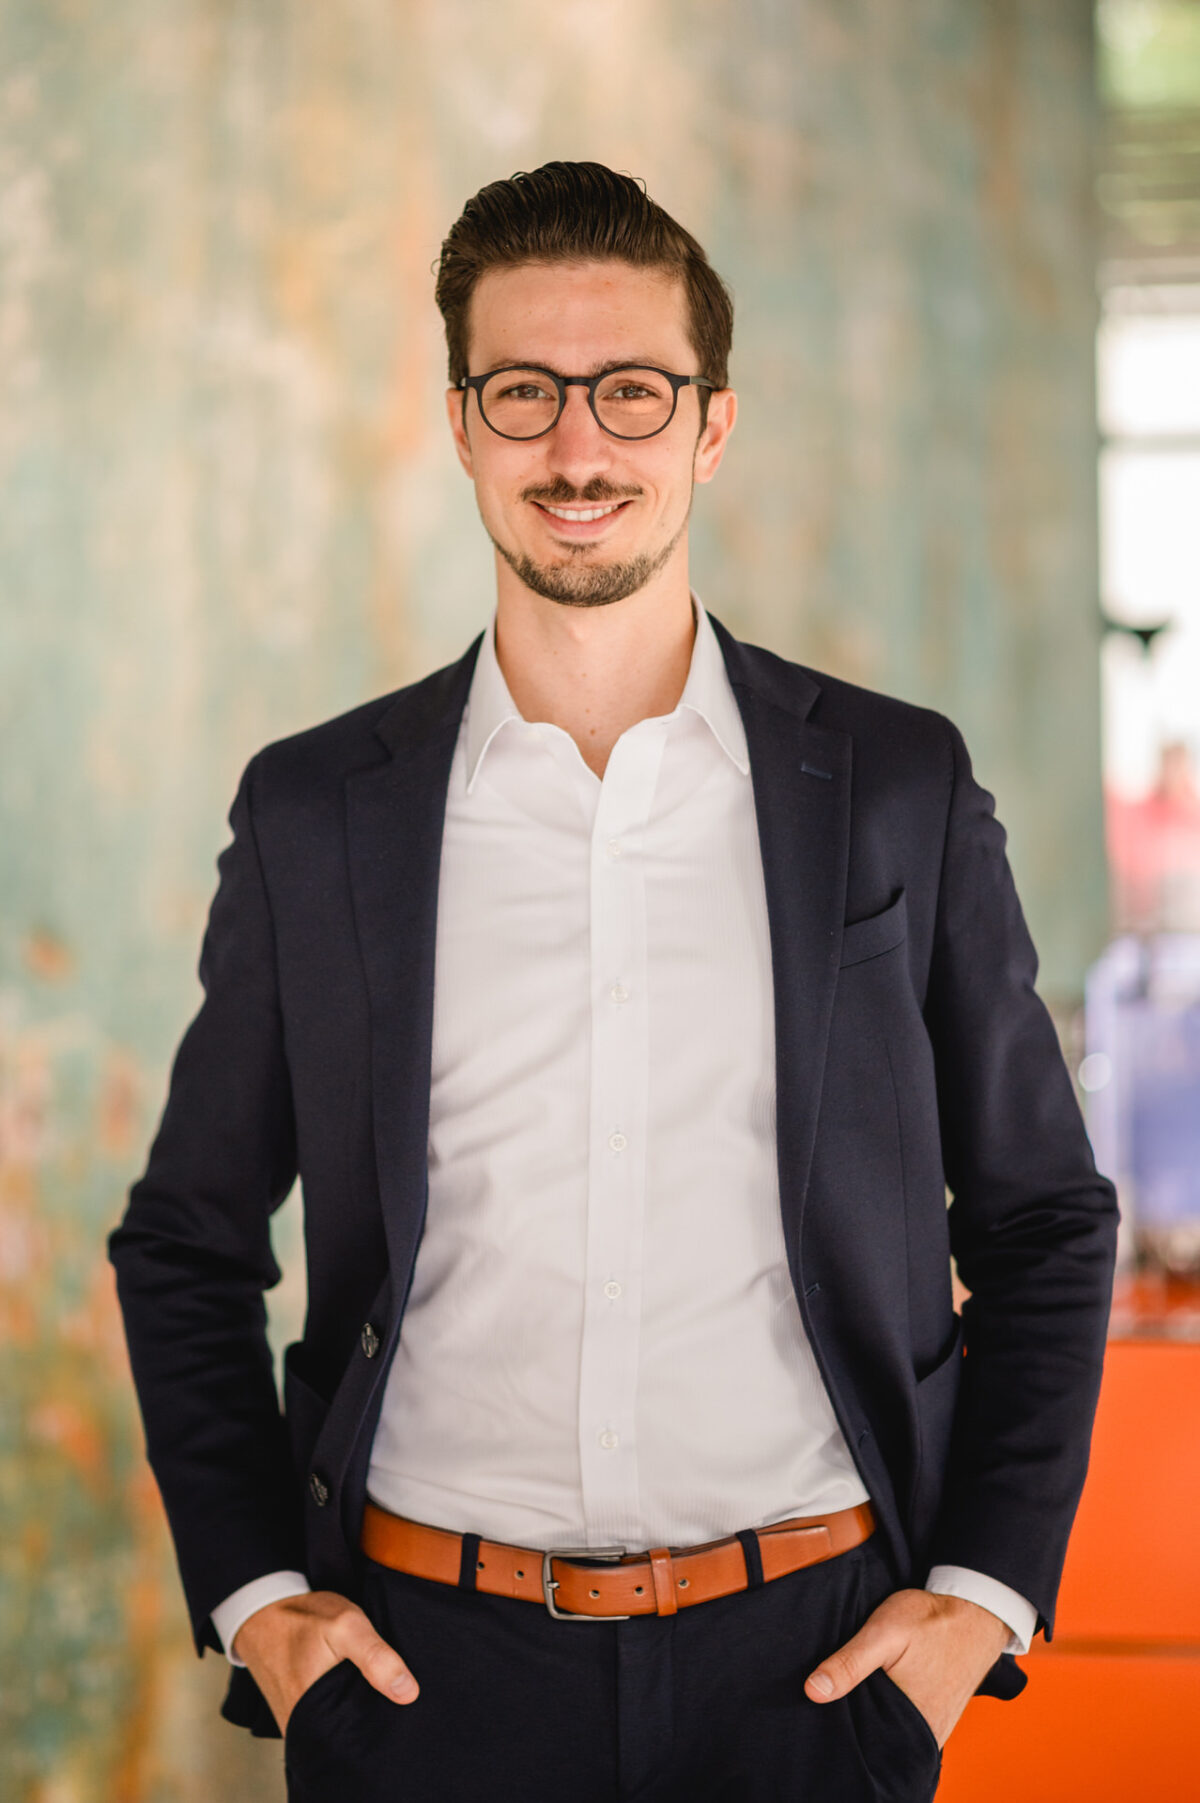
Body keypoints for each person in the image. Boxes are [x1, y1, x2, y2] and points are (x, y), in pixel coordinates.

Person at [108, 162, 1118, 1802]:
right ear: (459, 422)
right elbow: (188, 1238)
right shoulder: (319, 813)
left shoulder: (892, 787)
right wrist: (262, 1608)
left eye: (631, 393)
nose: (579, 450)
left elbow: (1043, 1221)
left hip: (819, 1667)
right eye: (525, 395)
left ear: (710, 424)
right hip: (423, 1682)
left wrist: (977, 1606)